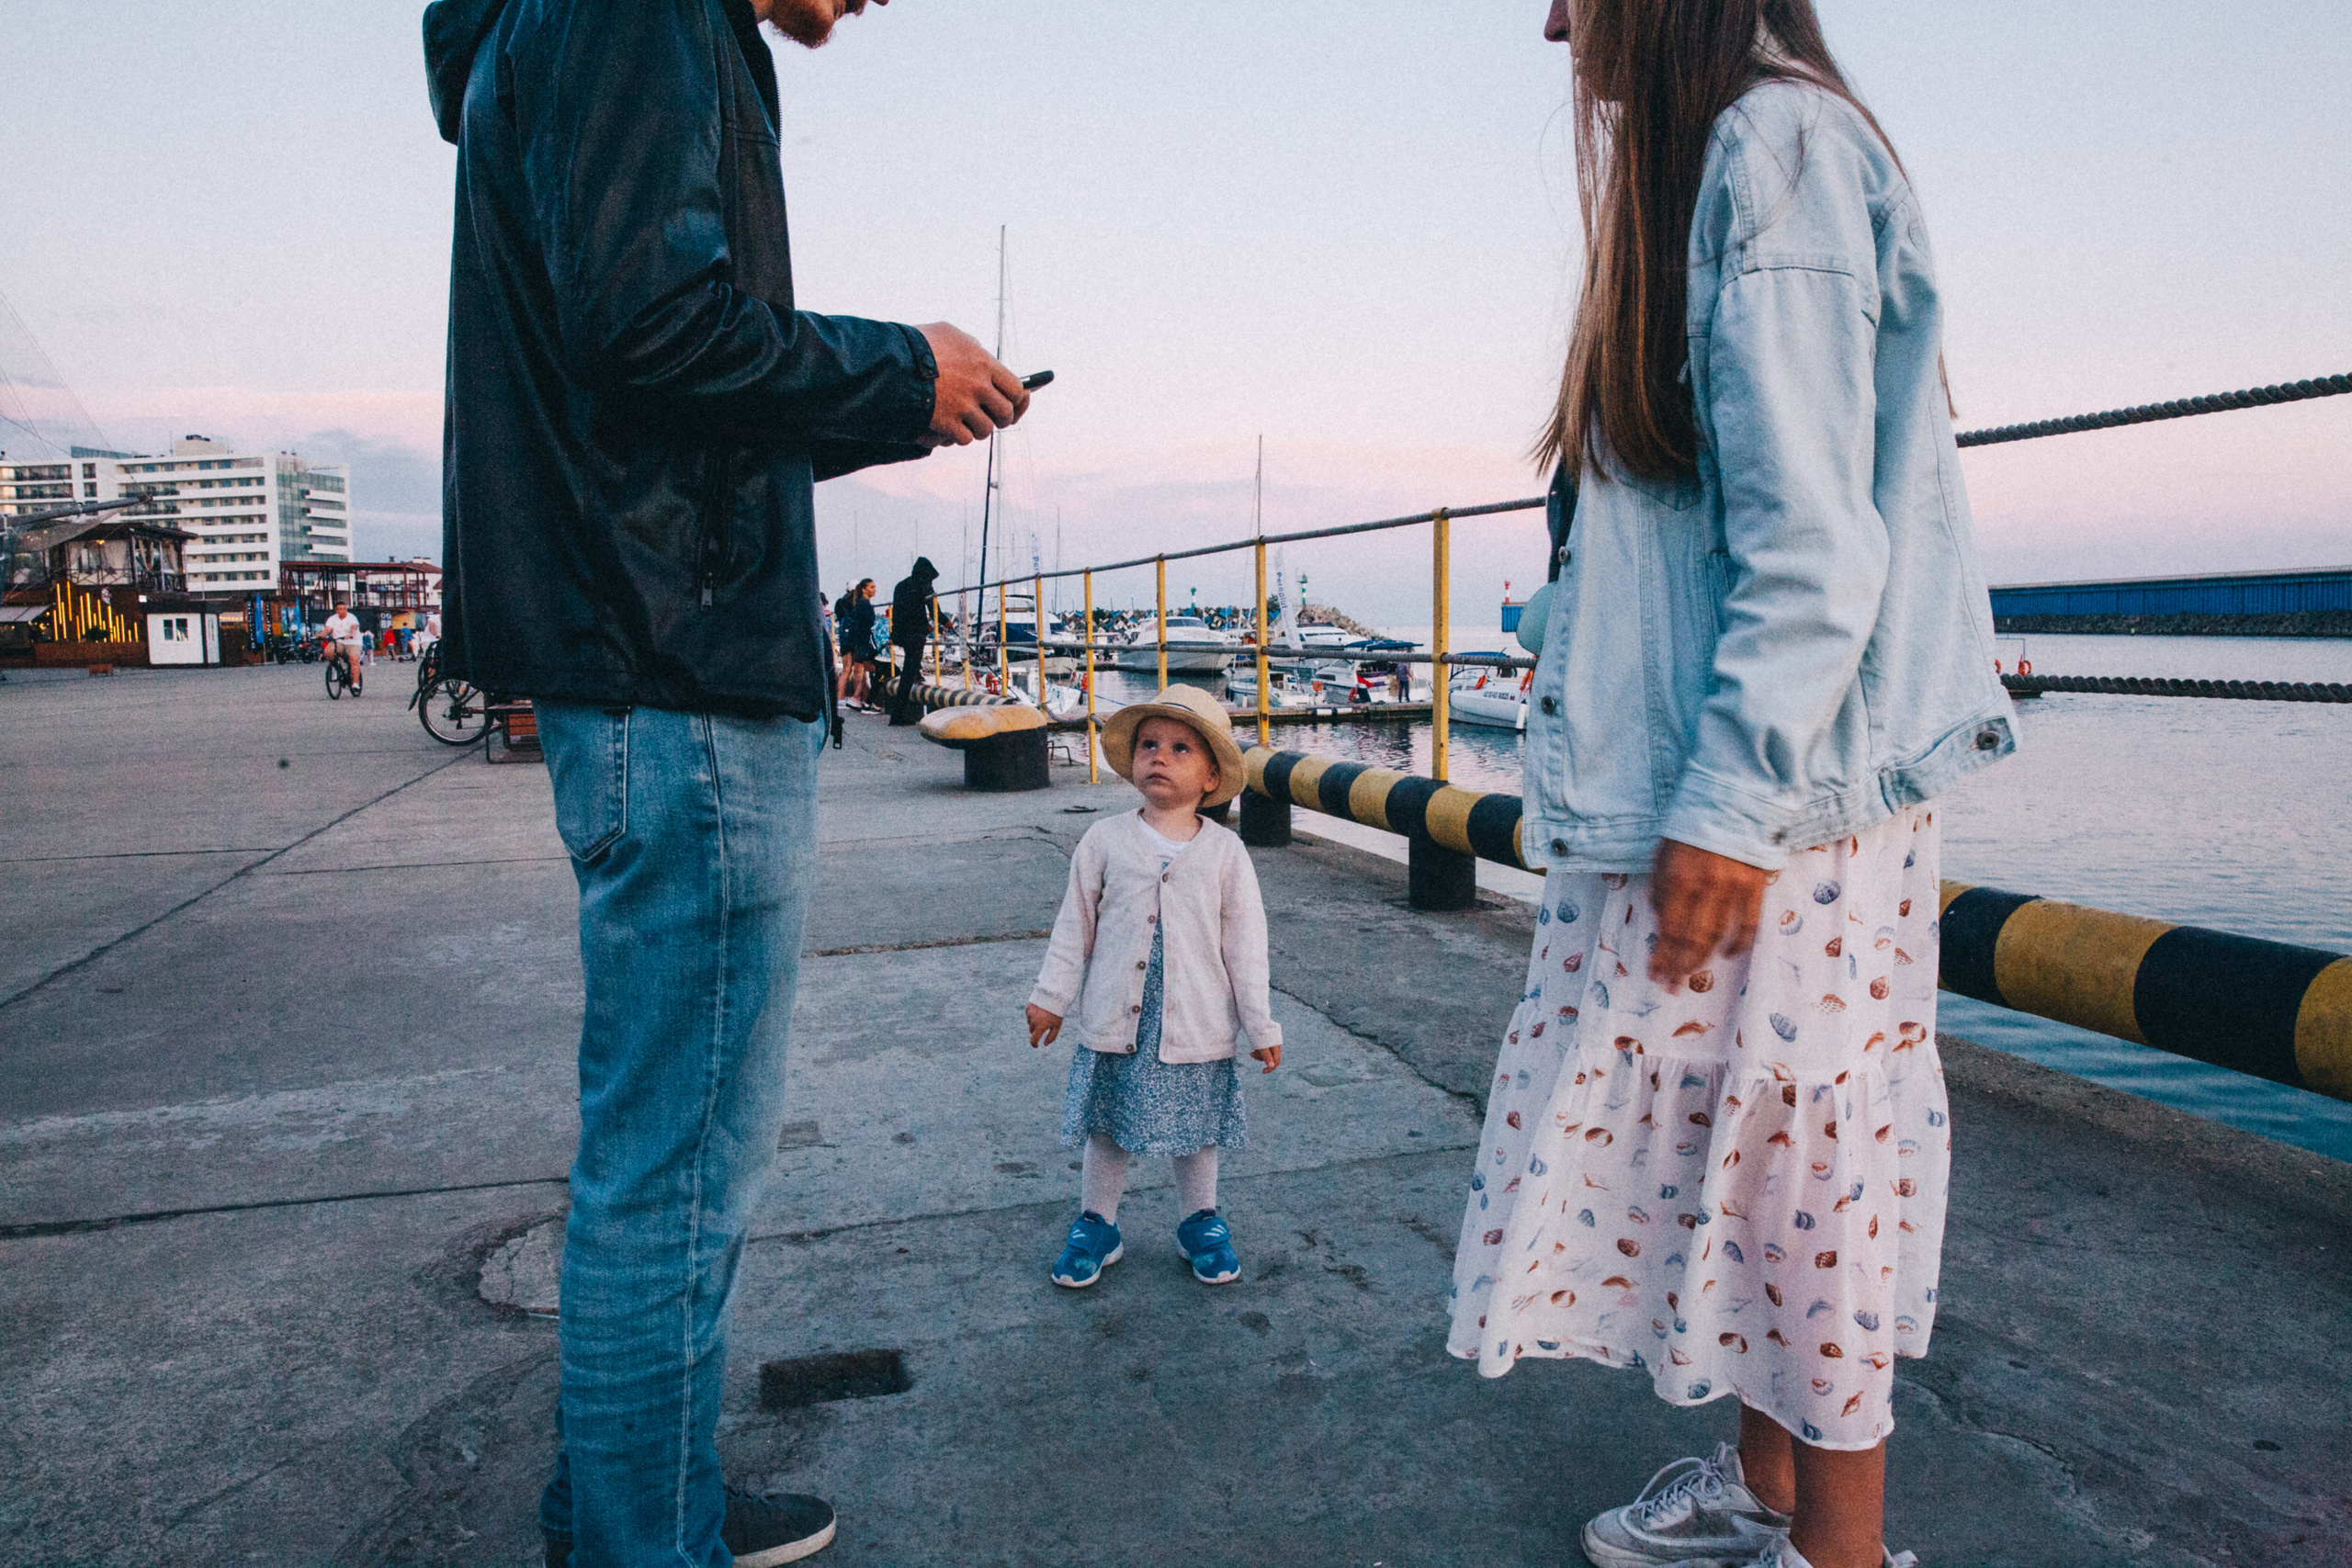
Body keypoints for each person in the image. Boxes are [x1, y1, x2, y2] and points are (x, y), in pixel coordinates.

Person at [422, 0, 1030, 1562]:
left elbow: (641, 376)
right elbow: (647, 329)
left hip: (645, 649)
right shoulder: (634, 10)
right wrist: (905, 367)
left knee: (663, 1151)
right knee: (678, 1168)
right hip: (675, 664)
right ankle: (643, 1537)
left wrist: (897, 404)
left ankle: (645, 1499)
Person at [1445, 6, 2018, 1568]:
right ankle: (1768, 1498)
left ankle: (1838, 1552)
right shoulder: (1726, 159)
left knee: (1803, 1161)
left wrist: (1726, 801)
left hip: (1787, 796)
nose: (1553, 20)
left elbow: (1815, 541)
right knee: (1746, 1154)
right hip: (1747, 776)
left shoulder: (1775, 152)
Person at [1024, 685, 1282, 1291]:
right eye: (1149, 745)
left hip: (1197, 1023)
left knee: (1196, 1130)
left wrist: (1261, 1023)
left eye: (1180, 748)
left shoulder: (1225, 853)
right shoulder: (1104, 841)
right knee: (1109, 1124)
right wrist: (1051, 997)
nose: (1159, 757)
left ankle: (1200, 1220)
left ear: (1212, 774)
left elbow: (1247, 947)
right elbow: (1074, 926)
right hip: (1117, 1018)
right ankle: (1098, 1222)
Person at [885, 556, 938, 724]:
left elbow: (900, 611)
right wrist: (944, 621)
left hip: (902, 634)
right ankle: (897, 716)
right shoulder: (924, 584)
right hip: (916, 634)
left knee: (909, 670)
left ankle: (900, 713)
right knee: (908, 674)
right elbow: (934, 609)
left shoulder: (900, 585)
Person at [834, 578, 878, 711]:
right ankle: (859, 699)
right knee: (860, 671)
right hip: (857, 640)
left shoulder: (841, 603)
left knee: (847, 669)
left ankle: (841, 699)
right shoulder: (861, 603)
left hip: (845, 639)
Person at [321, 601, 364, 694]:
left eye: (344, 609)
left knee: (353, 660)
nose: (343, 611)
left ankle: (355, 683)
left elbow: (354, 628)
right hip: (339, 641)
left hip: (353, 641)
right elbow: (327, 629)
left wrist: (350, 635)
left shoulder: (352, 618)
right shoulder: (332, 619)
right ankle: (336, 668)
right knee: (328, 651)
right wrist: (322, 635)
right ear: (336, 610)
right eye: (340, 609)